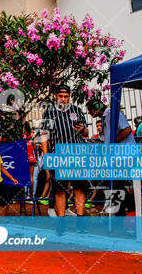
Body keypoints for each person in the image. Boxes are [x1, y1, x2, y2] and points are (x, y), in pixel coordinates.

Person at [40, 84, 89, 233]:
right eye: (61, 96)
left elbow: (86, 132)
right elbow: (44, 135)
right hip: (58, 155)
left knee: (79, 188)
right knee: (60, 190)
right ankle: (61, 222)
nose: (63, 99)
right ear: (56, 96)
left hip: (77, 154)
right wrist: (46, 155)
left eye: (66, 96)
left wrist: (83, 130)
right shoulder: (49, 112)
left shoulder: (76, 111)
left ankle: (81, 222)